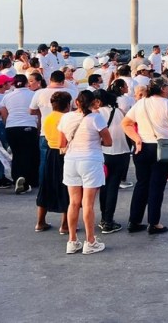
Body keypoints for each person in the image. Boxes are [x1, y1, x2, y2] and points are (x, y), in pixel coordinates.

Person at [121, 78, 168, 234]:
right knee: (157, 185)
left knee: (142, 184)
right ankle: (154, 222)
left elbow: (126, 123)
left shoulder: (141, 103)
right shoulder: (167, 104)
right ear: (163, 89)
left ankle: (134, 221)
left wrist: (136, 138)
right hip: (162, 147)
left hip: (142, 146)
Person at [59, 91, 112, 255]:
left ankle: (72, 241)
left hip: (71, 161)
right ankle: (90, 241)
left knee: (73, 202)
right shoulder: (96, 118)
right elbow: (108, 142)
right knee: (88, 203)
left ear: (76, 102)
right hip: (91, 160)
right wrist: (96, 140)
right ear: (93, 103)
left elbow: (61, 143)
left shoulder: (66, 118)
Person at [93, 89, 131, 234]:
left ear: (98, 101)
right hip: (122, 153)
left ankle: (105, 219)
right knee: (113, 187)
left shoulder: (96, 114)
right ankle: (108, 219)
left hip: (104, 154)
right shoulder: (120, 111)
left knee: (103, 186)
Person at [35, 91, 72, 234]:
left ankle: (40, 222)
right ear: (67, 104)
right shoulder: (67, 118)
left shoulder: (49, 118)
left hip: (51, 152)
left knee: (46, 185)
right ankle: (65, 225)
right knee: (66, 187)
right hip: (64, 153)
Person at [2, 74, 43, 194]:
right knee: (28, 154)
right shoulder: (33, 94)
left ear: (14, 84)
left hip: (12, 128)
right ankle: (27, 180)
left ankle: (17, 178)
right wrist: (38, 128)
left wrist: (7, 125)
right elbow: (38, 113)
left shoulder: (7, 96)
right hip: (28, 126)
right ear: (26, 83)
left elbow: (4, 114)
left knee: (16, 154)